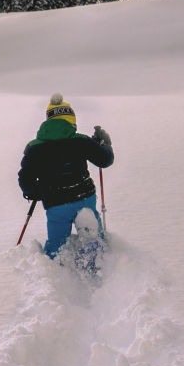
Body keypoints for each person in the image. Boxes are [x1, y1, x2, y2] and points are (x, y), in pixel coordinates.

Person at [17, 93, 114, 257]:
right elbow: (105, 160)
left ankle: (58, 268)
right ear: (70, 119)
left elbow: (25, 179)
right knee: (93, 237)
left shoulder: (34, 148)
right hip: (85, 198)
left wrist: (36, 193)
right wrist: (105, 143)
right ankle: (99, 261)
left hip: (56, 204)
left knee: (57, 245)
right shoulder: (81, 141)